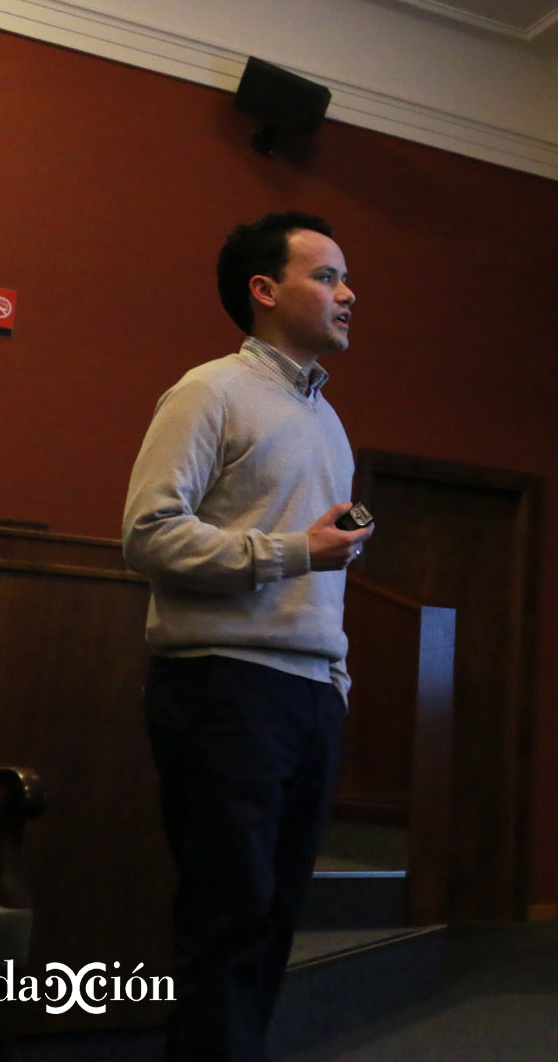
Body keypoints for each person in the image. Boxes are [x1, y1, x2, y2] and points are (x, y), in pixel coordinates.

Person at [122, 211, 373, 1062]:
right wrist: (298, 548)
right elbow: (148, 535)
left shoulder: (331, 424)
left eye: (345, 278)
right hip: (224, 686)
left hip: (310, 696)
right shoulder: (208, 392)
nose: (349, 293)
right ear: (265, 291)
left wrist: (335, 679)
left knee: (274, 922)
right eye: (327, 276)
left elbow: (316, 565)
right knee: (227, 917)